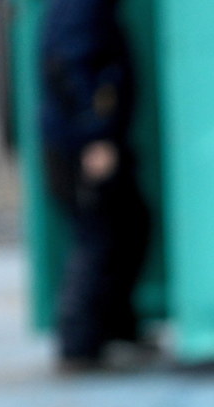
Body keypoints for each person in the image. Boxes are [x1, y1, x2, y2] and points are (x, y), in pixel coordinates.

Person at [39, 0, 150, 371]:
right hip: (82, 143)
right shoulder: (81, 6)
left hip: (83, 138)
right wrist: (95, 135)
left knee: (128, 224)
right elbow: (74, 66)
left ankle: (114, 328)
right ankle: (78, 344)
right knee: (97, 234)